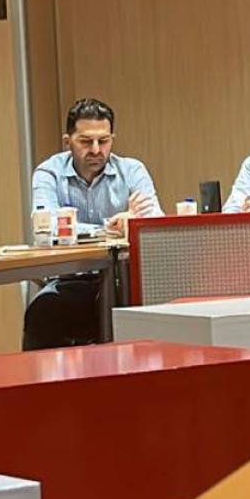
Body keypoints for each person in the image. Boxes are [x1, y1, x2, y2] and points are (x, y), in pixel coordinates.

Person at [25, 99, 161, 349]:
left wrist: (135, 223)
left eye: (104, 140)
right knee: (42, 313)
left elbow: (155, 223)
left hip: (125, 281)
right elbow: (47, 225)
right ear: (68, 141)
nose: (96, 149)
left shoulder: (132, 170)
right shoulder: (48, 172)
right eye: (86, 141)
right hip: (69, 279)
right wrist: (111, 228)